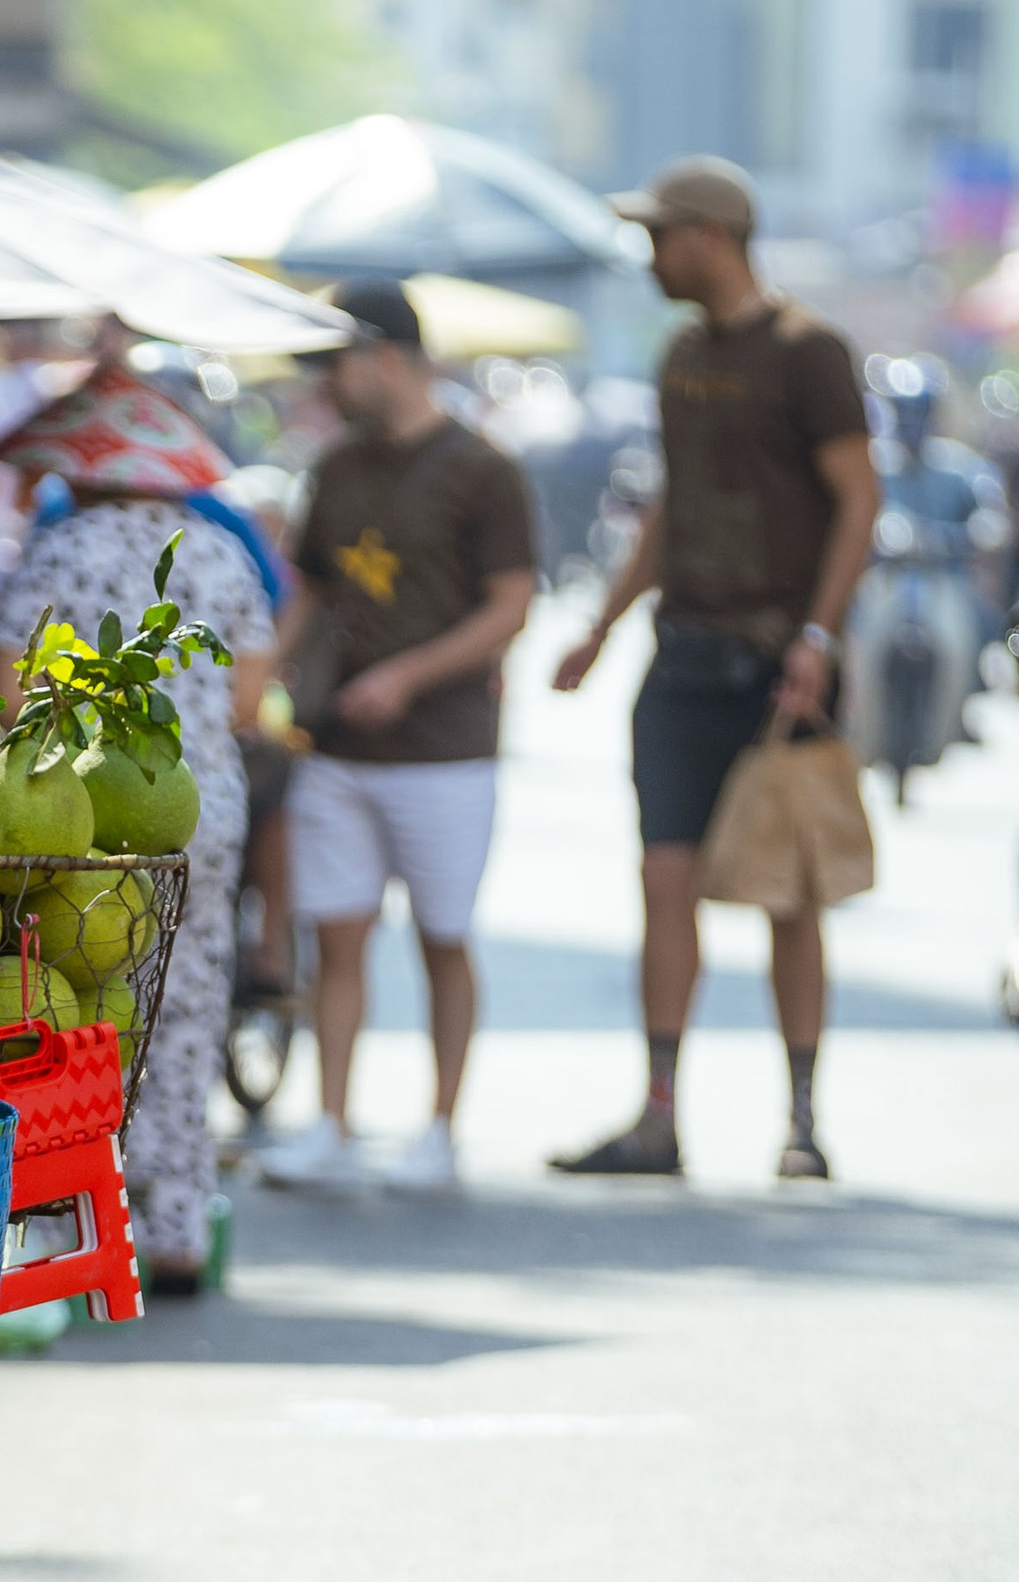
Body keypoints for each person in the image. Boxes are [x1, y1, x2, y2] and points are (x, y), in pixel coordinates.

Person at [551, 157, 880, 1182]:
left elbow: (857, 501)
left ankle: (800, 1119)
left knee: (791, 891)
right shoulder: (682, 354)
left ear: (711, 235)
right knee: (664, 881)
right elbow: (670, 507)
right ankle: (658, 1118)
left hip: (780, 663)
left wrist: (817, 642)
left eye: (661, 236)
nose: (650, 255)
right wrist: (602, 625)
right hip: (682, 655)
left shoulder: (807, 350)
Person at [0, 366, 277, 1289]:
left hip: (81, 821)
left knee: (76, 1012)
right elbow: (249, 700)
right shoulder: (223, 554)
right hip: (202, 810)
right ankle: (179, 1230)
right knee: (187, 1009)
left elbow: (4, 693)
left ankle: (74, 1240)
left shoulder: (59, 549)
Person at [259, 278, 538, 1192]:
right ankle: (332, 1125)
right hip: (338, 746)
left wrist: (409, 676)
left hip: (446, 750)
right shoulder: (335, 468)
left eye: (333, 366)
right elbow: (311, 586)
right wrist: (262, 668)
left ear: (385, 358)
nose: (323, 387)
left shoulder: (482, 469)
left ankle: (440, 1128)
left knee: (444, 937)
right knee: (336, 937)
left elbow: (512, 606)